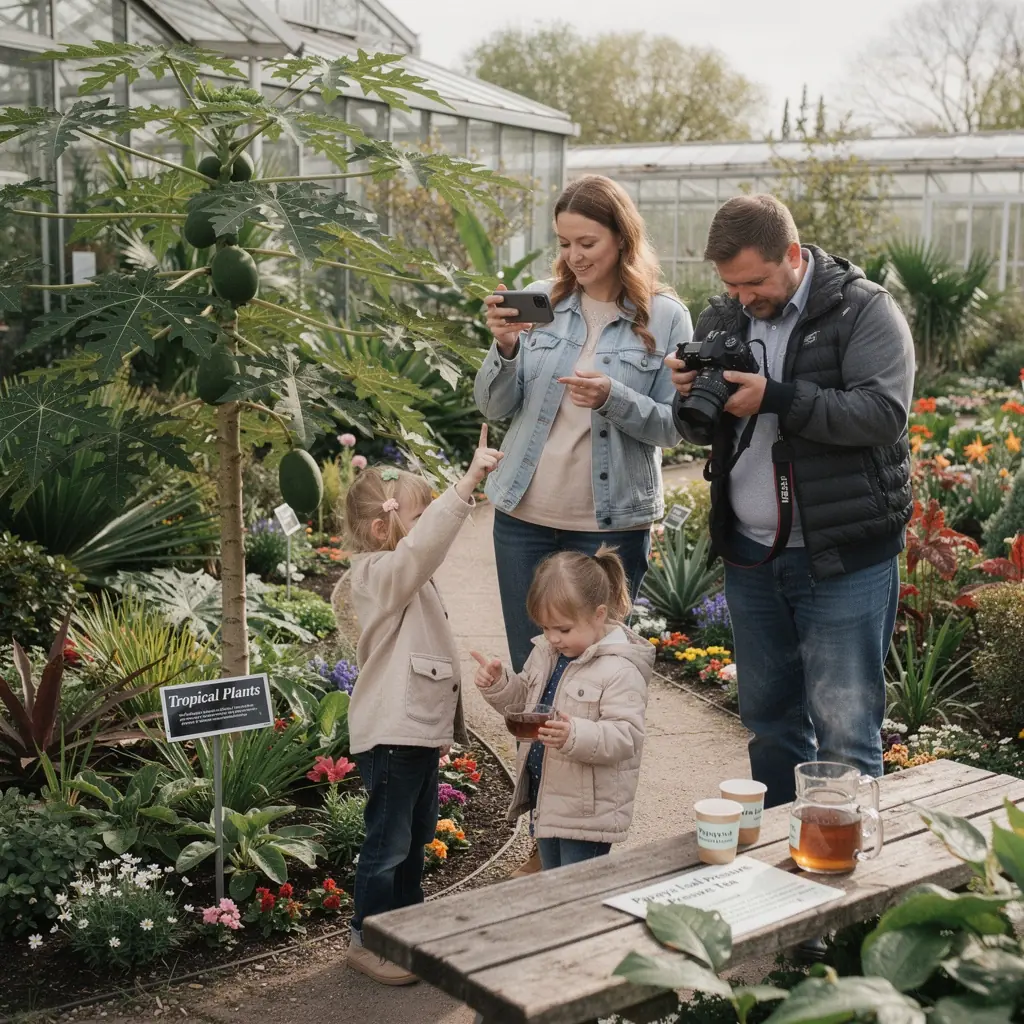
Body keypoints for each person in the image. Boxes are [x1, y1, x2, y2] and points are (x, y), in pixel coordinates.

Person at [667, 194, 914, 812]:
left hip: (841, 560)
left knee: (845, 736)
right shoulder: (724, 316)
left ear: (794, 256)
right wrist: (689, 398)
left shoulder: (863, 310)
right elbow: (702, 429)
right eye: (731, 285)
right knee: (771, 726)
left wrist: (776, 398)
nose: (743, 297)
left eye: (754, 281)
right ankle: (779, 875)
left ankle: (852, 892)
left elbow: (883, 415)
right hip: (752, 557)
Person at [475, 174, 691, 678]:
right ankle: (533, 760)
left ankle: (593, 759)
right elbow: (493, 408)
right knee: (531, 670)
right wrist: (505, 348)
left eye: (587, 242)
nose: (575, 255)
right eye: (565, 243)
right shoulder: (540, 301)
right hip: (524, 519)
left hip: (609, 529)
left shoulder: (665, 318)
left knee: (597, 671)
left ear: (622, 237)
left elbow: (673, 428)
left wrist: (613, 398)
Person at [342, 428, 503, 986]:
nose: (431, 517)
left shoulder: (407, 575)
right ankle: (368, 936)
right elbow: (419, 550)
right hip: (390, 736)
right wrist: (464, 487)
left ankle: (408, 927)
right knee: (387, 843)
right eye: (422, 510)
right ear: (381, 527)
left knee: (415, 832)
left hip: (413, 734)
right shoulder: (376, 574)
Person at [471, 546, 653, 870]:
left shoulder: (620, 669)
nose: (553, 638)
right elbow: (526, 699)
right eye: (545, 628)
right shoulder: (546, 653)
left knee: (578, 894)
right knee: (552, 885)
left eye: (563, 629)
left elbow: (627, 736)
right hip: (548, 796)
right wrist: (499, 684)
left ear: (598, 614)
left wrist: (574, 734)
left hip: (588, 812)